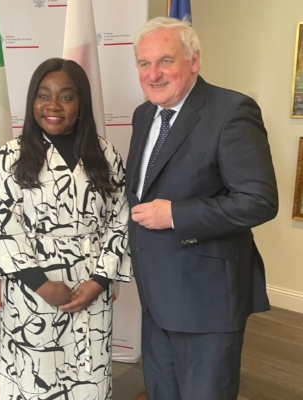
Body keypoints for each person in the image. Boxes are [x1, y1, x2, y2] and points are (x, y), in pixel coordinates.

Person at [126, 17, 278, 400]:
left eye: (165, 61)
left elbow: (259, 200)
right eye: (144, 63)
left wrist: (176, 214)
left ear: (194, 61)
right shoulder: (144, 114)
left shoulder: (232, 111)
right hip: (155, 297)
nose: (153, 74)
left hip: (205, 302)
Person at [0, 58, 131, 400]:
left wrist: (100, 281)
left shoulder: (106, 155)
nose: (53, 105)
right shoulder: (11, 156)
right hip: (32, 288)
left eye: (66, 96)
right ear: (32, 102)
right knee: (37, 377)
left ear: (81, 105)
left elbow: (120, 220)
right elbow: (0, 223)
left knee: (88, 371)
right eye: (43, 95)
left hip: (90, 283)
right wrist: (40, 283)